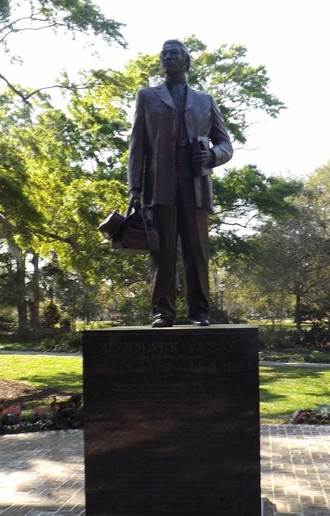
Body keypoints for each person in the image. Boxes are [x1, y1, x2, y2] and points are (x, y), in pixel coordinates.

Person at [127, 39, 233, 328]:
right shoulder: (147, 97)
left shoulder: (205, 100)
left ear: (186, 61)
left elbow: (226, 144)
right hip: (160, 186)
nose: (167, 58)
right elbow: (137, 145)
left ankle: (200, 312)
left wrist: (212, 154)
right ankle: (163, 312)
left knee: (197, 251)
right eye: (163, 54)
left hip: (195, 186)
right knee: (162, 254)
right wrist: (134, 187)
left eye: (173, 54)